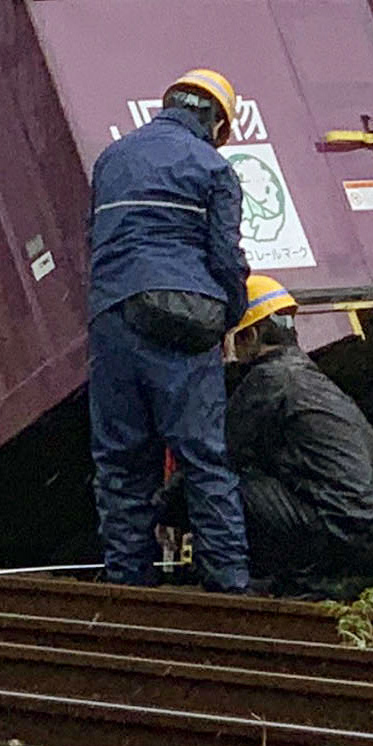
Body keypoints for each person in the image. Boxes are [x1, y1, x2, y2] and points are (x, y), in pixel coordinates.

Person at [84, 68, 254, 590]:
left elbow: (95, 242)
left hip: (113, 316)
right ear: (218, 121)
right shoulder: (213, 167)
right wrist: (230, 315)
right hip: (185, 319)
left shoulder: (112, 158)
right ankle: (230, 591)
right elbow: (225, 258)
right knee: (204, 460)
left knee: (120, 463)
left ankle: (128, 590)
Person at [221, 279, 373, 595]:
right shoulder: (309, 377)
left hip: (339, 534)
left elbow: (219, 454)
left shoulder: (269, 380)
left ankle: (236, 581)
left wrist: (158, 511)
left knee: (217, 483)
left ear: (249, 335)